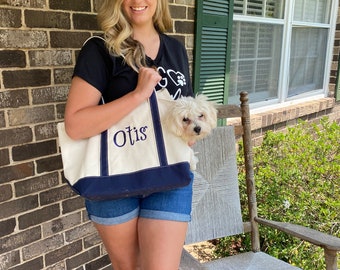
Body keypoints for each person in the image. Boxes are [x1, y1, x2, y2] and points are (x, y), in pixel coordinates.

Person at [64, 0, 194, 268]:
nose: (137, 2)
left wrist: (190, 132)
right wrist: (138, 95)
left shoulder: (176, 49)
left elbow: (187, 113)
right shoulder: (100, 49)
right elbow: (75, 125)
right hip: (115, 178)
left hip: (170, 172)